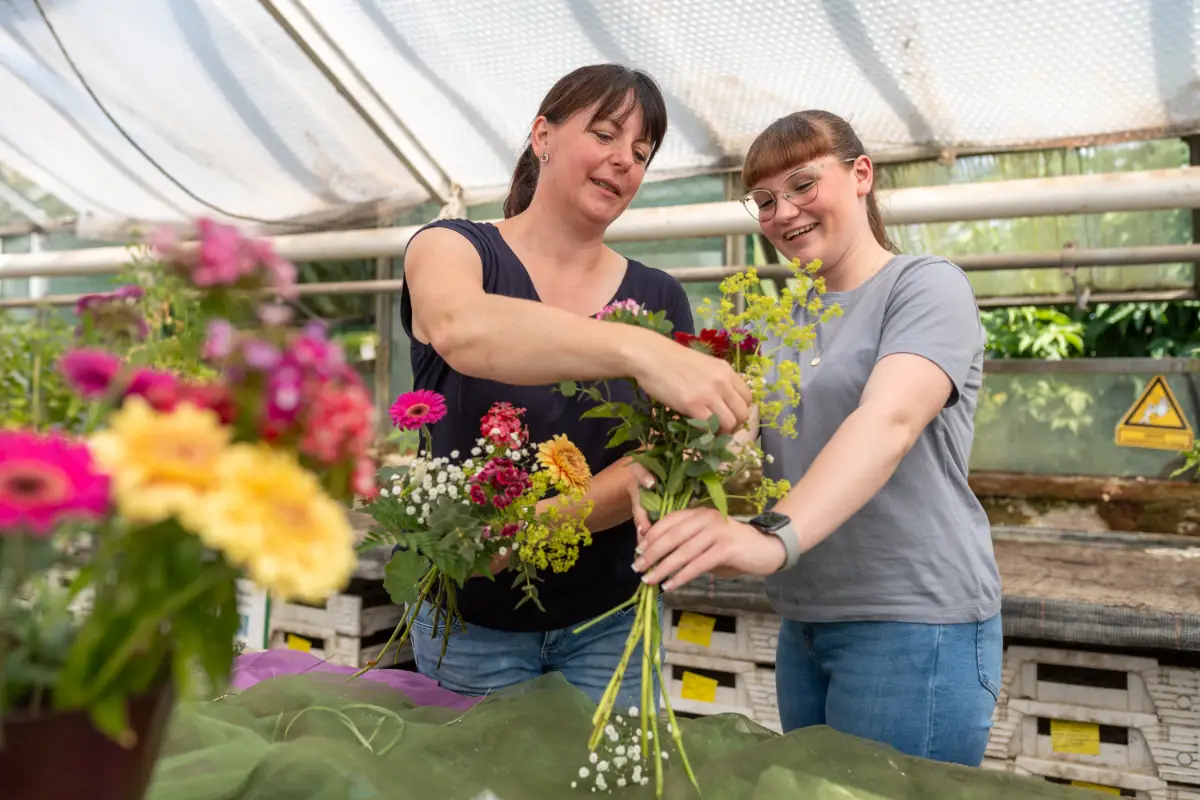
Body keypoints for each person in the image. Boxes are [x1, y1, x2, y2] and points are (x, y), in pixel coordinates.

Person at [630, 110, 1003, 767]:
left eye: (804, 185)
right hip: (805, 622)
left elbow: (887, 422)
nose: (785, 211)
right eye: (766, 200)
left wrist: (771, 536)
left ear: (861, 175)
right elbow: (736, 438)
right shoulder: (785, 318)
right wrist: (669, 473)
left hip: (912, 624)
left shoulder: (923, 286)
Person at [398, 64, 751, 705]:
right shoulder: (453, 249)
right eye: (607, 135)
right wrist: (636, 349)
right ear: (543, 137)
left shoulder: (659, 295)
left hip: (608, 626)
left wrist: (538, 523)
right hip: (471, 627)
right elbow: (461, 328)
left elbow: (672, 459)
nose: (623, 162)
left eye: (641, 153)